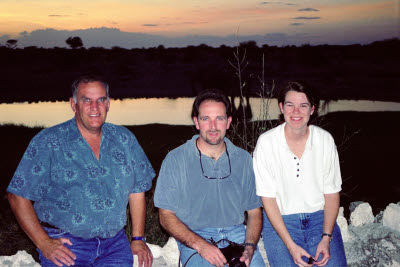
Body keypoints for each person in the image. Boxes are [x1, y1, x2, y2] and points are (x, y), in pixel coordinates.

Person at [7, 76, 155, 267]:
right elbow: (17, 195)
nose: (95, 107)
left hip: (114, 246)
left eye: (101, 100)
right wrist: (44, 243)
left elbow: (137, 189)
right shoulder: (49, 142)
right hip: (66, 246)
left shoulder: (124, 139)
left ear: (108, 104)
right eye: (87, 100)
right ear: (73, 104)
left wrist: (137, 238)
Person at [154, 89, 265, 267]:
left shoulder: (243, 159)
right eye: (206, 119)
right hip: (195, 236)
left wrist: (250, 247)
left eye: (219, 118)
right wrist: (201, 246)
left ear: (228, 122)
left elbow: (254, 212)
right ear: (196, 122)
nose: (213, 126)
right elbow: (165, 216)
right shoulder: (176, 159)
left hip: (236, 234)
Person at [253, 81, 347, 267]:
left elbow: (331, 193)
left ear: (312, 109)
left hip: (319, 219)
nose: (296, 112)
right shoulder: (266, 143)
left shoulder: (324, 140)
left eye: (303, 105)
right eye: (290, 105)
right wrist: (290, 245)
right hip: (280, 221)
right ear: (281, 107)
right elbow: (268, 199)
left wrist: (326, 238)